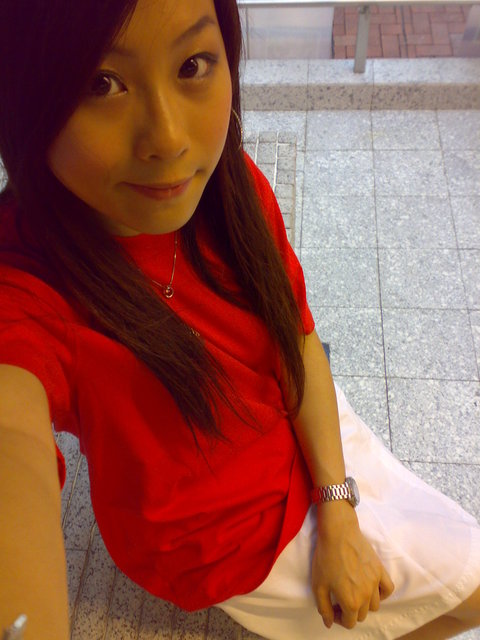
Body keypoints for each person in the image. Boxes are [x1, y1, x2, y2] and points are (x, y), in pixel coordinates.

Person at [0, 0, 479, 638]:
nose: (169, 139)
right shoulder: (28, 285)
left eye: (192, 65)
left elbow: (298, 340)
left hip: (301, 432)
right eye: (101, 83)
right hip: (226, 535)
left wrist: (337, 509)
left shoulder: (227, 188)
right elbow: (12, 442)